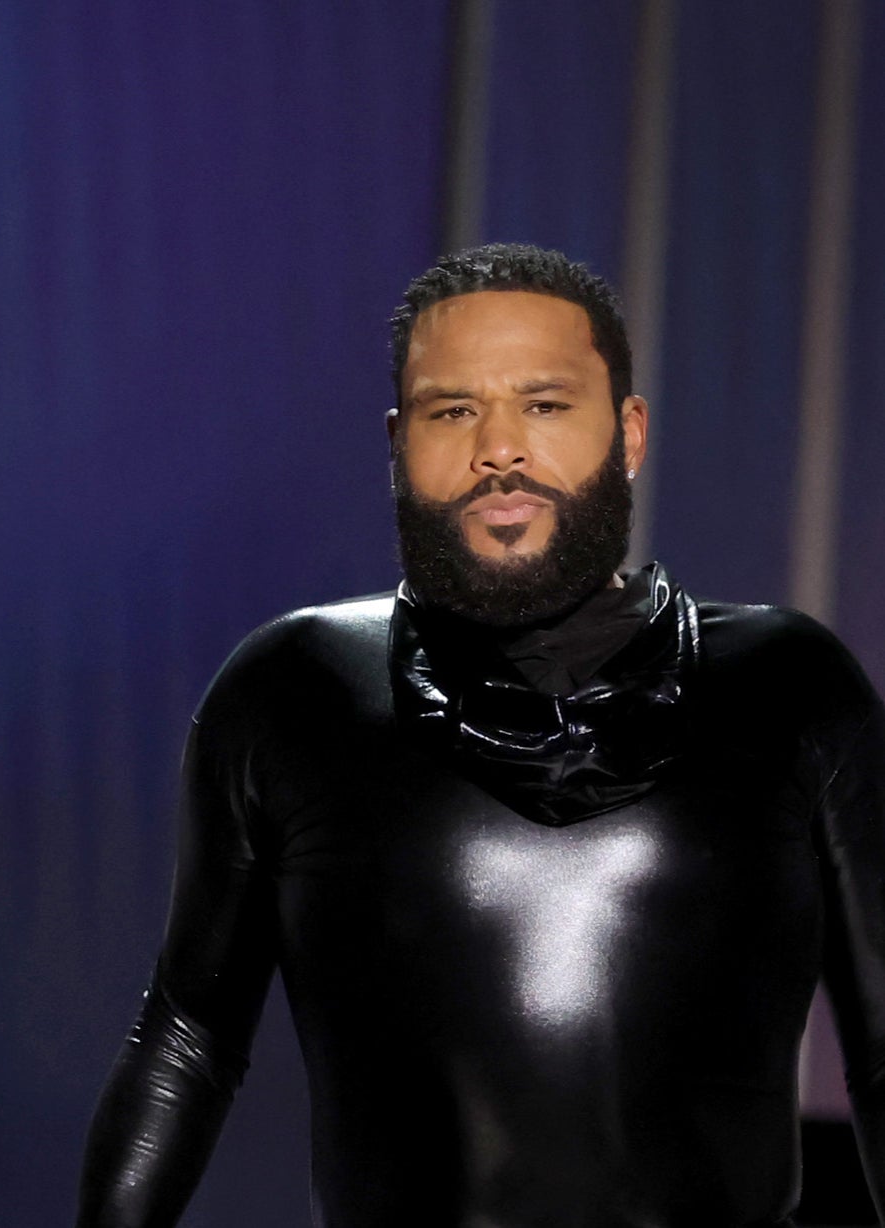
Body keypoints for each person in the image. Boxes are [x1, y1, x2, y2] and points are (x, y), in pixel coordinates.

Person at [77, 243, 885, 1226]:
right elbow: (187, 1039)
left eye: (544, 404)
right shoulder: (290, 694)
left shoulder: (789, 687)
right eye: (452, 410)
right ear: (396, 441)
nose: (498, 446)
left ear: (628, 432)